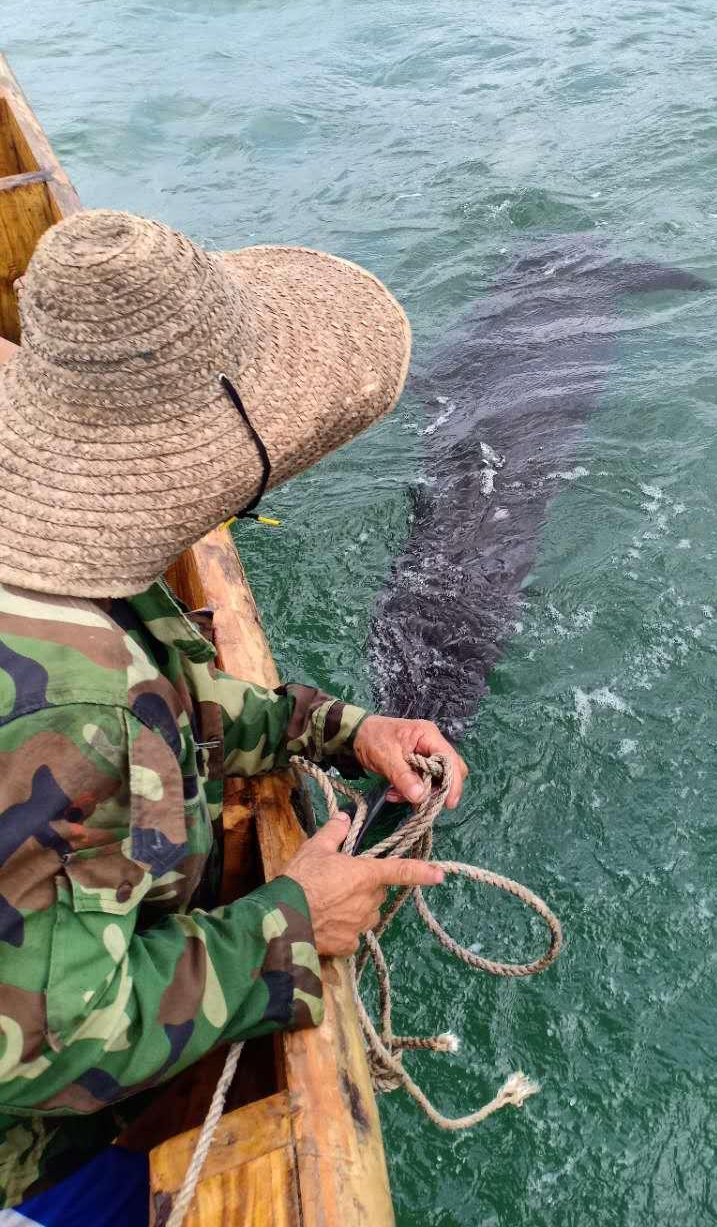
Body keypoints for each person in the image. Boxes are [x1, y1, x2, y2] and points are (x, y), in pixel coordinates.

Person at [0, 209, 468, 1209]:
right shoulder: (83, 706)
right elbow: (44, 1048)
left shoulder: (44, 571)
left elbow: (163, 695)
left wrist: (337, 729)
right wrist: (290, 922)